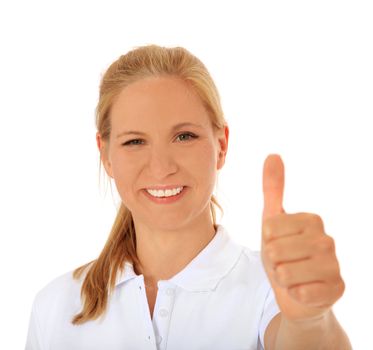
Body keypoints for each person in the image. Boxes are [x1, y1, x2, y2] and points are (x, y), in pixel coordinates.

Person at [25, 44, 352, 349]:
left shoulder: (270, 288)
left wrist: (310, 319)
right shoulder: (55, 306)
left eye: (184, 136)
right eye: (135, 142)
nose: (161, 167)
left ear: (221, 145)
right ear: (106, 154)